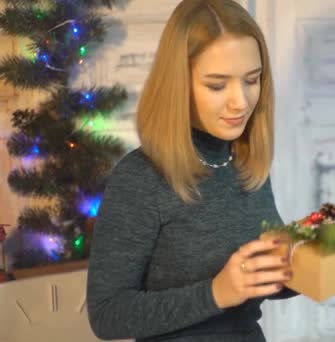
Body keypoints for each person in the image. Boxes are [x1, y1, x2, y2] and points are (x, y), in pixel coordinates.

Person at [86, 0, 298, 341]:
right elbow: (107, 314)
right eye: (217, 85)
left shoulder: (246, 161)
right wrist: (214, 293)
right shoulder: (140, 178)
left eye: (252, 80)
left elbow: (257, 278)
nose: (240, 102)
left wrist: (301, 267)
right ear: (178, 85)